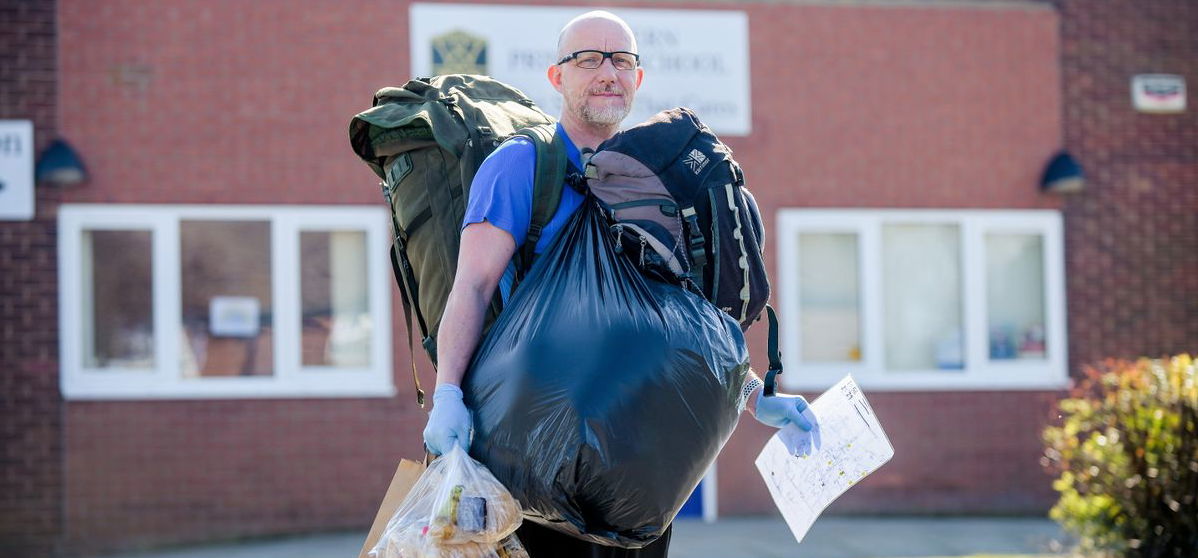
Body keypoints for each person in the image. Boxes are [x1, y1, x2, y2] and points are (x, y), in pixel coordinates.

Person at [421, 10, 815, 557]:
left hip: (639, 468)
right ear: (558, 77)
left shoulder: (655, 181)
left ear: (638, 79)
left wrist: (754, 395)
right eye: (587, 59)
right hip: (536, 458)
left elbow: (677, 324)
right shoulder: (521, 166)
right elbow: (471, 288)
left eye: (621, 60)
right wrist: (446, 395)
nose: (607, 71)